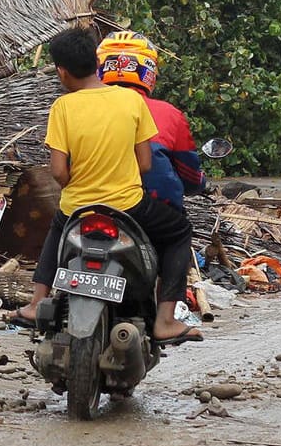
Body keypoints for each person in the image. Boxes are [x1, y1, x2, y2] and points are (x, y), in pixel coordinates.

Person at [17, 28, 201, 342]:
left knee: (56, 231)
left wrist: (80, 185)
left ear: (62, 72)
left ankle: (37, 303)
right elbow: (144, 164)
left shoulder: (63, 107)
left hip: (78, 207)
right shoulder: (132, 101)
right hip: (129, 206)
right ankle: (166, 320)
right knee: (179, 232)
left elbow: (59, 171)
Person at [97, 30, 202, 208]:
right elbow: (190, 176)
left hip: (89, 208)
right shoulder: (169, 114)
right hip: (154, 210)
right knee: (181, 232)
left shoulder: (78, 108)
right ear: (148, 70)